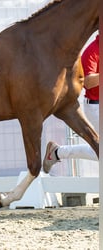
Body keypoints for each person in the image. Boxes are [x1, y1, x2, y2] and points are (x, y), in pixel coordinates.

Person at [43, 34, 99, 173]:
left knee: (99, 149)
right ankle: (57, 153)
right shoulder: (92, 51)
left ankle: (57, 153)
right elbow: (88, 82)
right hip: (96, 106)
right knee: (99, 149)